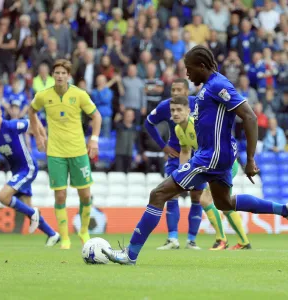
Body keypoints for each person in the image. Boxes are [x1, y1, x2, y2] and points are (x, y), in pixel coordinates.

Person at [102, 45, 288, 265]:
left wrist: (251, 159)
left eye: (189, 69)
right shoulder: (209, 86)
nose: (187, 74)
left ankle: (130, 254)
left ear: (202, 66)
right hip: (215, 154)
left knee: (158, 194)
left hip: (212, 156)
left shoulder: (218, 85)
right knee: (224, 203)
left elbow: (250, 117)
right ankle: (283, 209)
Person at [29, 59, 102, 250]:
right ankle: (65, 238)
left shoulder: (79, 94)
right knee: (60, 196)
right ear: (53, 75)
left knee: (85, 195)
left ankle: (84, 231)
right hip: (55, 152)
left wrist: (94, 139)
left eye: (63, 73)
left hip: (78, 151)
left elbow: (97, 116)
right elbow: (31, 111)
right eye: (57, 73)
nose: (60, 76)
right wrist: (38, 135)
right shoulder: (43, 96)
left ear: (68, 76)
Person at [171, 96, 251, 250]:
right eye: (173, 110)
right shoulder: (178, 129)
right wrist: (181, 176)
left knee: (206, 200)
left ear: (188, 111)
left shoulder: (197, 124)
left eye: (179, 110)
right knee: (225, 204)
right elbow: (186, 151)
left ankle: (221, 240)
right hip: (214, 165)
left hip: (224, 162)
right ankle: (244, 241)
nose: (175, 113)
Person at [0, 100, 60, 246]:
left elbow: (33, 122)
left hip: (28, 167)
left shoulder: (11, 125)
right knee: (28, 208)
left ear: (0, 113)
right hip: (16, 172)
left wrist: (42, 138)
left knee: (3, 196)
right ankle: (53, 234)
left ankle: (35, 214)